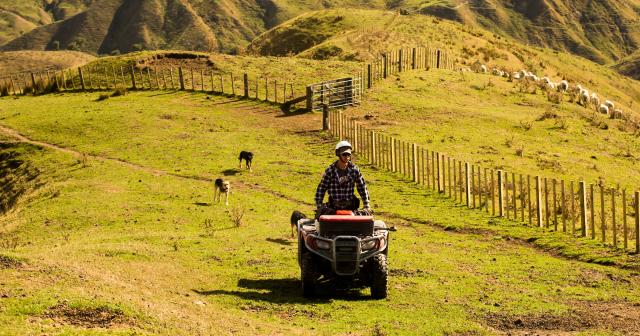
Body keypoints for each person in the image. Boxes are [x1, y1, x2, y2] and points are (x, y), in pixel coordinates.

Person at [315, 140, 371, 217]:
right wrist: (319, 206)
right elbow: (321, 189)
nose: (347, 157)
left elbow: (362, 187)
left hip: (350, 208)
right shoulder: (330, 171)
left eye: (348, 154)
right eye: (344, 154)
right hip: (334, 208)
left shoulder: (355, 170)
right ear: (338, 154)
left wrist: (366, 205)